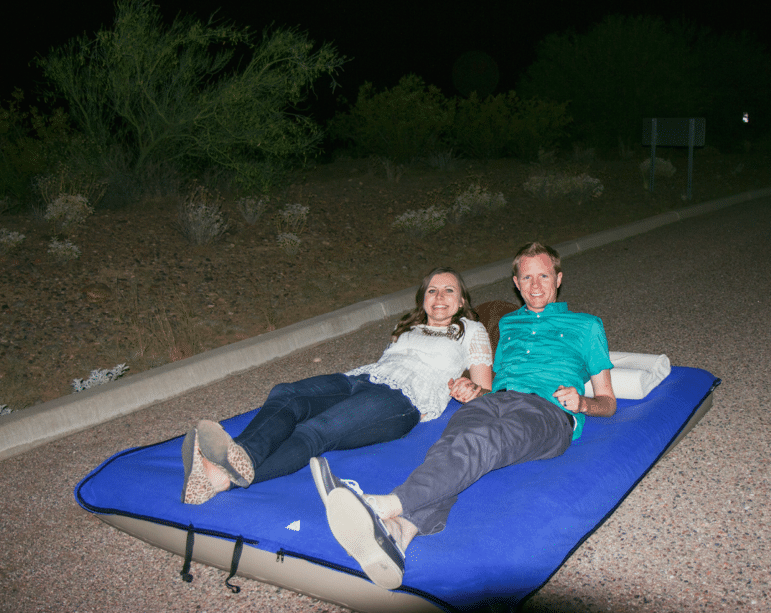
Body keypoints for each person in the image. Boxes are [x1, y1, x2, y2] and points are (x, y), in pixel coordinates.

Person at [311, 242, 616, 589]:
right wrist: (474, 391)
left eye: (543, 275)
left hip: (548, 412)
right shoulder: (510, 324)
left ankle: (383, 505)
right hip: (497, 401)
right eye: (526, 277)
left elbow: (608, 401)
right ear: (516, 283)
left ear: (558, 279)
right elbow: (495, 384)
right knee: (452, 444)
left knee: (481, 441)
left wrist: (582, 404)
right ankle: (399, 534)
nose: (535, 285)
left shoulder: (587, 326)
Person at [181, 267, 493, 505]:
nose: (439, 297)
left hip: (401, 400)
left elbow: (485, 391)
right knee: (288, 394)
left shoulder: (471, 329)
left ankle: (220, 477)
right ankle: (241, 456)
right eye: (432, 291)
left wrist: (473, 391)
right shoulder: (406, 326)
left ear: (461, 300)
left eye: (448, 290)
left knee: (316, 431)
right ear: (422, 298)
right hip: (360, 379)